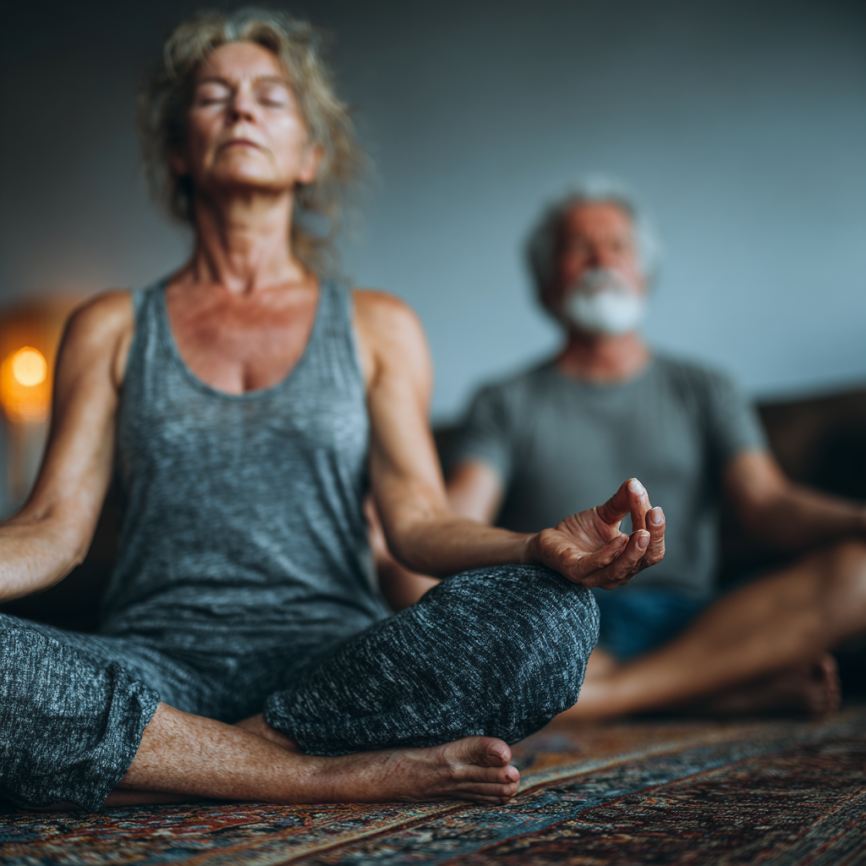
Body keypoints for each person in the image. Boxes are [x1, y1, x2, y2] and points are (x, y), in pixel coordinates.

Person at [0, 14, 667, 812]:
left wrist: (534, 547)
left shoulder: (377, 325)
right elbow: (52, 529)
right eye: (213, 97)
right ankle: (314, 775)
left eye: (269, 97)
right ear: (178, 150)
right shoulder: (109, 326)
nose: (241, 110)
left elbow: (418, 522)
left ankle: (169, 760)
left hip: (339, 673)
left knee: (554, 613)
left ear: (310, 156)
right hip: (155, 666)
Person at [402, 178, 866, 720]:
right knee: (451, 611)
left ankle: (610, 697)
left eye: (618, 246)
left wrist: (858, 519)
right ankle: (709, 693)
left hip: (700, 621)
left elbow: (767, 504)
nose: (601, 260)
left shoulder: (707, 387)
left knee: (858, 572)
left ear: (643, 274)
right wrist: (402, 523)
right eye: (580, 248)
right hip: (569, 615)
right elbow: (458, 517)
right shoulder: (504, 401)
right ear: (547, 285)